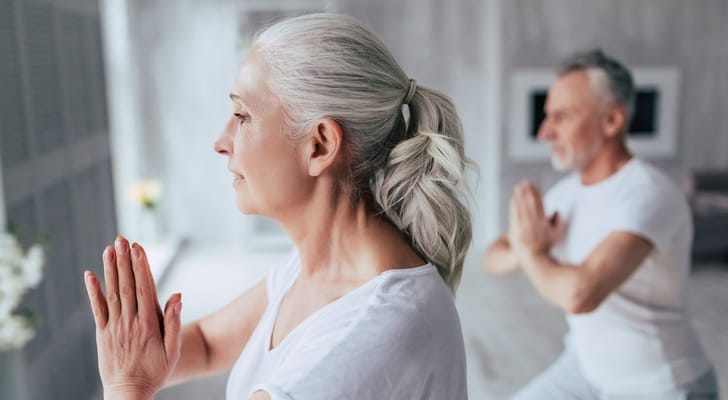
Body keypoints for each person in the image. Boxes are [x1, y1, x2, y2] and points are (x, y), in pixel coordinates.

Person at [83, 13, 472, 400]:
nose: (221, 141)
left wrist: (127, 386)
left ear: (319, 145)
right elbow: (207, 344)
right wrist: (137, 354)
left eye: (242, 115)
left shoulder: (375, 332)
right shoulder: (315, 268)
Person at [483, 49, 719, 399]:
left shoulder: (649, 194)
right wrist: (524, 244)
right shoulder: (567, 193)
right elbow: (493, 256)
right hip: (584, 368)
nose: (545, 131)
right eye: (547, 116)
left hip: (660, 384)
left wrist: (532, 250)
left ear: (611, 121)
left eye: (561, 117)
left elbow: (579, 295)